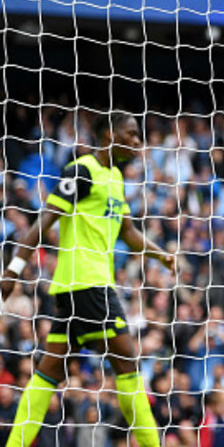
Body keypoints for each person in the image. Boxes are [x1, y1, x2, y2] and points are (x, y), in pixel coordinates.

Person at [1, 111, 175, 447]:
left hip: (78, 288)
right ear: (109, 134)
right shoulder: (81, 170)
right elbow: (44, 221)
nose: (138, 142)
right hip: (89, 284)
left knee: (49, 371)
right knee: (128, 365)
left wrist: (160, 255)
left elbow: (128, 232)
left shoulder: (116, 179)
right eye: (132, 134)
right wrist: (14, 269)